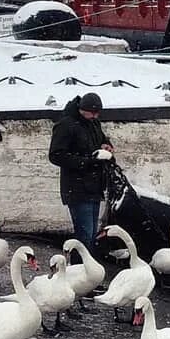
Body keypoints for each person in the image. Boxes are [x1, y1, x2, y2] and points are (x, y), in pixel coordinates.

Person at [48, 92, 114, 248]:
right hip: (76, 187)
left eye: (97, 112)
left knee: (91, 235)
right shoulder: (66, 125)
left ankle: (86, 267)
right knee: (84, 236)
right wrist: (87, 162)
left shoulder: (93, 123)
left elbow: (100, 139)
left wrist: (106, 145)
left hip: (94, 186)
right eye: (92, 112)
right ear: (82, 109)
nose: (95, 116)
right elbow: (55, 155)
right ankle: (80, 268)